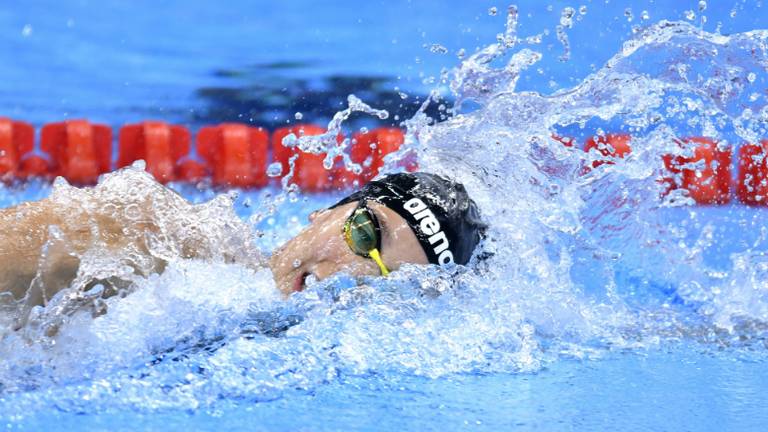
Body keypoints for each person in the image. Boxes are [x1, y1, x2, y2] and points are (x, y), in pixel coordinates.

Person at [0, 170, 484, 325]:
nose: (344, 277)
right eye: (364, 235)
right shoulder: (157, 236)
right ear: (327, 209)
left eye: (387, 282)